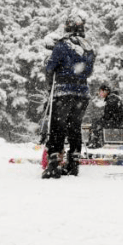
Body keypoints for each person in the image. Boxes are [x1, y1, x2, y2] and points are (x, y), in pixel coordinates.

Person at [42, 13, 95, 178]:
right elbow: (89, 70)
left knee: (57, 126)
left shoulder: (62, 45)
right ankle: (74, 162)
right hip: (82, 92)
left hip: (64, 90)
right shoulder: (88, 47)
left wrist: (50, 75)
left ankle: (54, 162)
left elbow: (51, 68)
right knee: (74, 127)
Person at [87, 83, 123, 148]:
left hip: (115, 121)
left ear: (105, 91)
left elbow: (109, 114)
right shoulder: (113, 98)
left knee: (96, 123)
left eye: (100, 92)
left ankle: (95, 143)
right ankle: (95, 142)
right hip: (117, 119)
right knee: (97, 122)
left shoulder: (111, 99)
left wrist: (103, 119)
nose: (100, 94)